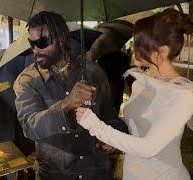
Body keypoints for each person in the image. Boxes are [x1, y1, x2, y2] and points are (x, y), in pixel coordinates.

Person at [76, 9, 193, 180]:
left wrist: (97, 127)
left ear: (162, 51)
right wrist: (113, 140)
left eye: (141, 46)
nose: (135, 52)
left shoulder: (182, 95)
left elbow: (148, 147)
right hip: (132, 173)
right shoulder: (140, 82)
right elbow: (136, 130)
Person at [13, 11, 128, 180]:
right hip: (55, 175)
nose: (36, 49)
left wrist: (113, 138)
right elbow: (31, 127)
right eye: (32, 43)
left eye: (43, 41)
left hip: (96, 171)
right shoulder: (28, 81)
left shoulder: (92, 72)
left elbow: (110, 118)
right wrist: (66, 103)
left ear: (61, 38)